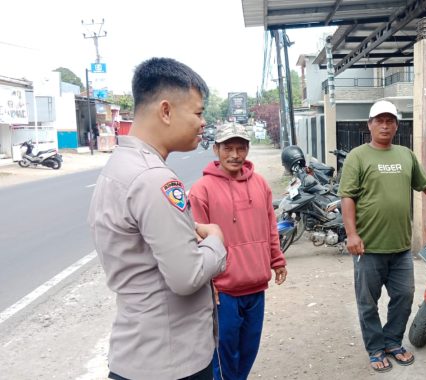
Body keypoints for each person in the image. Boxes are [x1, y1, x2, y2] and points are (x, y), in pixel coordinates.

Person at [88, 57, 227, 380]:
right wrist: (218, 241)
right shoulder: (154, 179)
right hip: (170, 361)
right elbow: (187, 276)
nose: (203, 122)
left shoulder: (118, 168)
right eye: (198, 112)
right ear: (165, 111)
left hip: (138, 352)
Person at [338, 100, 426, 373]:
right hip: (368, 247)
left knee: (403, 296)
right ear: (370, 124)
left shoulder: (405, 155)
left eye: (390, 121)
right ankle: (375, 348)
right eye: (380, 120)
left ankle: (392, 341)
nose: (385, 125)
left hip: (400, 247)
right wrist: (352, 234)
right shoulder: (358, 156)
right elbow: (347, 198)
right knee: (368, 303)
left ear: (396, 126)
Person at [189, 123, 287, 380]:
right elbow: (196, 239)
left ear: (247, 149)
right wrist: (209, 281)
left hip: (256, 285)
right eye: (228, 148)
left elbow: (270, 226)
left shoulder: (261, 184)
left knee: (248, 350)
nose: (235, 155)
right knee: (223, 355)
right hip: (225, 291)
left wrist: (277, 259)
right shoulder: (202, 189)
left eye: (240, 148)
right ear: (215, 150)